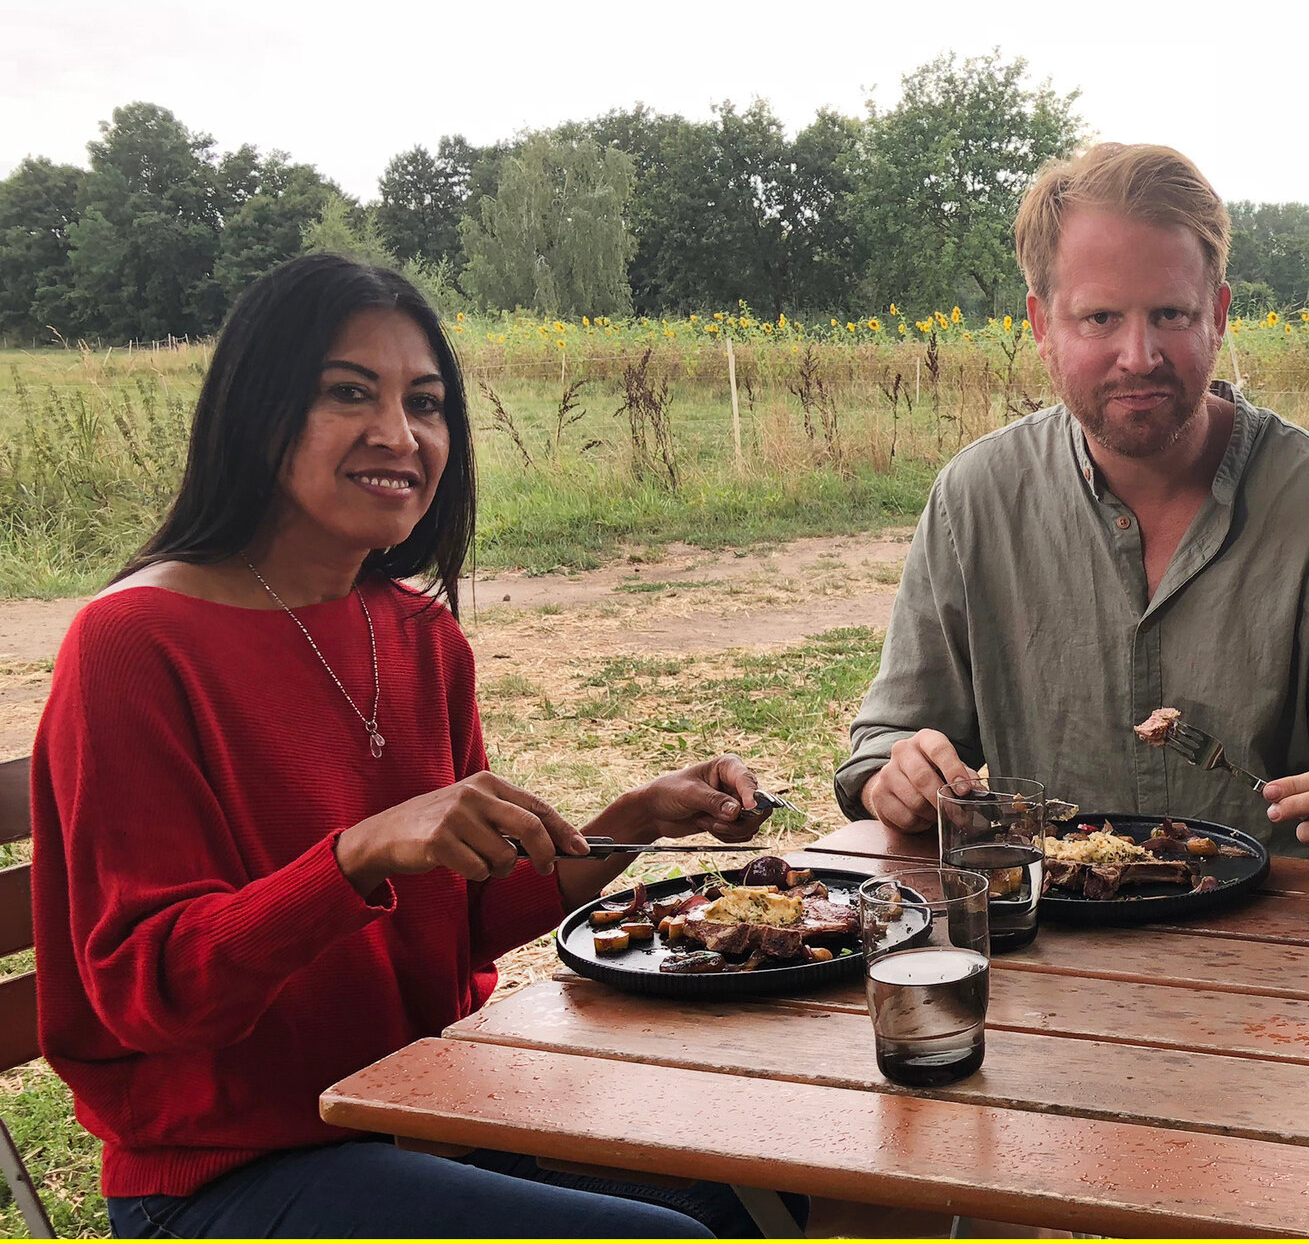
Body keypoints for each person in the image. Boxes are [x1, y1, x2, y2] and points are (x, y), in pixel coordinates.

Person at [32, 254, 783, 1237]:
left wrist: (632, 822)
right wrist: (355, 856)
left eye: (425, 403)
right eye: (349, 393)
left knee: (757, 1170)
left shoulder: (420, 634)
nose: (399, 434)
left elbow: (456, 927)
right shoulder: (134, 644)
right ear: (255, 409)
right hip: (228, 1173)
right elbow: (148, 994)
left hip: (425, 1107)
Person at [836, 143, 1309, 870]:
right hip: (1051, 920)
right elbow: (888, 741)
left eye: (1170, 314)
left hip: (1279, 925)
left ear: (1217, 315)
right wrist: (895, 777)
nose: (1139, 356)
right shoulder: (975, 499)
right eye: (1099, 318)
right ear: (1041, 325)